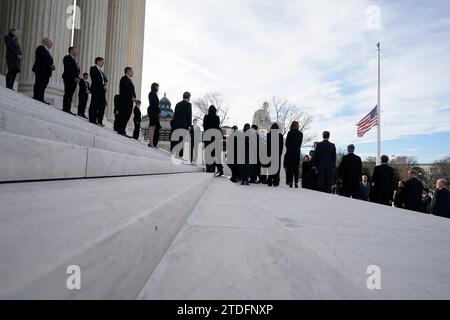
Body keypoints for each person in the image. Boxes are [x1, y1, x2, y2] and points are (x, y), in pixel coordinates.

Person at [32, 37, 55, 104]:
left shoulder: (47, 51)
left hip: (46, 72)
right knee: (39, 83)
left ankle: (41, 98)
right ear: (45, 42)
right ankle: (36, 96)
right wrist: (51, 64)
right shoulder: (40, 48)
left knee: (43, 85)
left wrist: (52, 65)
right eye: (50, 42)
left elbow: (47, 59)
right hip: (40, 69)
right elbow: (43, 57)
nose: (51, 44)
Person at [203, 105, 224, 176]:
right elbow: (217, 126)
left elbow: (204, 126)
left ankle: (209, 169)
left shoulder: (206, 117)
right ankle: (219, 169)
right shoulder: (217, 117)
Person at [117, 67, 138, 137]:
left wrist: (134, 97)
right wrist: (132, 96)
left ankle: (122, 130)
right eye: (132, 71)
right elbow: (126, 89)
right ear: (128, 71)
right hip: (125, 101)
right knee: (123, 115)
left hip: (129, 102)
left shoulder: (129, 80)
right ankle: (120, 130)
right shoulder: (124, 79)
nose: (133, 73)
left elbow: (132, 90)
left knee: (127, 116)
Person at [89, 57, 108, 126]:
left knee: (102, 105)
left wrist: (105, 85)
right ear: (97, 61)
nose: (103, 63)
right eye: (102, 61)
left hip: (102, 91)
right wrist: (103, 85)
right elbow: (95, 79)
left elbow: (105, 80)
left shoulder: (102, 72)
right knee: (94, 104)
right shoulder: (93, 68)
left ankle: (100, 121)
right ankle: (92, 119)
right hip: (96, 89)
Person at [172, 92, 193, 158]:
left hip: (176, 124)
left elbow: (175, 115)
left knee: (177, 138)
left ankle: (175, 152)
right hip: (184, 124)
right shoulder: (188, 104)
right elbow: (189, 115)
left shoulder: (178, 104)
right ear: (189, 97)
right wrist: (189, 125)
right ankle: (180, 154)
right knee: (181, 139)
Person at [62, 47, 80, 115]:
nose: (77, 52)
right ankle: (65, 108)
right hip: (68, 78)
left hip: (74, 80)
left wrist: (77, 77)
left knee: (71, 94)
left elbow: (77, 71)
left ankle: (68, 109)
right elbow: (69, 68)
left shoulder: (75, 60)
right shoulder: (67, 58)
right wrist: (74, 77)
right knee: (67, 93)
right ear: (71, 50)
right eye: (75, 50)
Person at [285, 121, 303, 188]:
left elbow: (286, 143)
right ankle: (296, 182)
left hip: (290, 152)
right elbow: (300, 144)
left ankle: (290, 182)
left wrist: (289, 149)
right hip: (297, 152)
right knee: (296, 168)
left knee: (290, 167)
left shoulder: (290, 133)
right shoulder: (301, 134)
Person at [266, 123, 284, 187]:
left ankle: (270, 181)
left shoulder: (268, 135)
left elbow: (267, 145)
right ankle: (276, 182)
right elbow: (281, 146)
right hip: (277, 154)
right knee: (277, 168)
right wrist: (280, 153)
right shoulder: (280, 135)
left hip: (270, 153)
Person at [147, 83, 161, 148]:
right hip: (153, 111)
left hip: (153, 111)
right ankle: (151, 143)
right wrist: (159, 111)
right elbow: (154, 104)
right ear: (155, 87)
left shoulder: (153, 94)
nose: (158, 88)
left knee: (154, 127)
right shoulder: (152, 93)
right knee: (152, 127)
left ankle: (152, 143)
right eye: (158, 87)